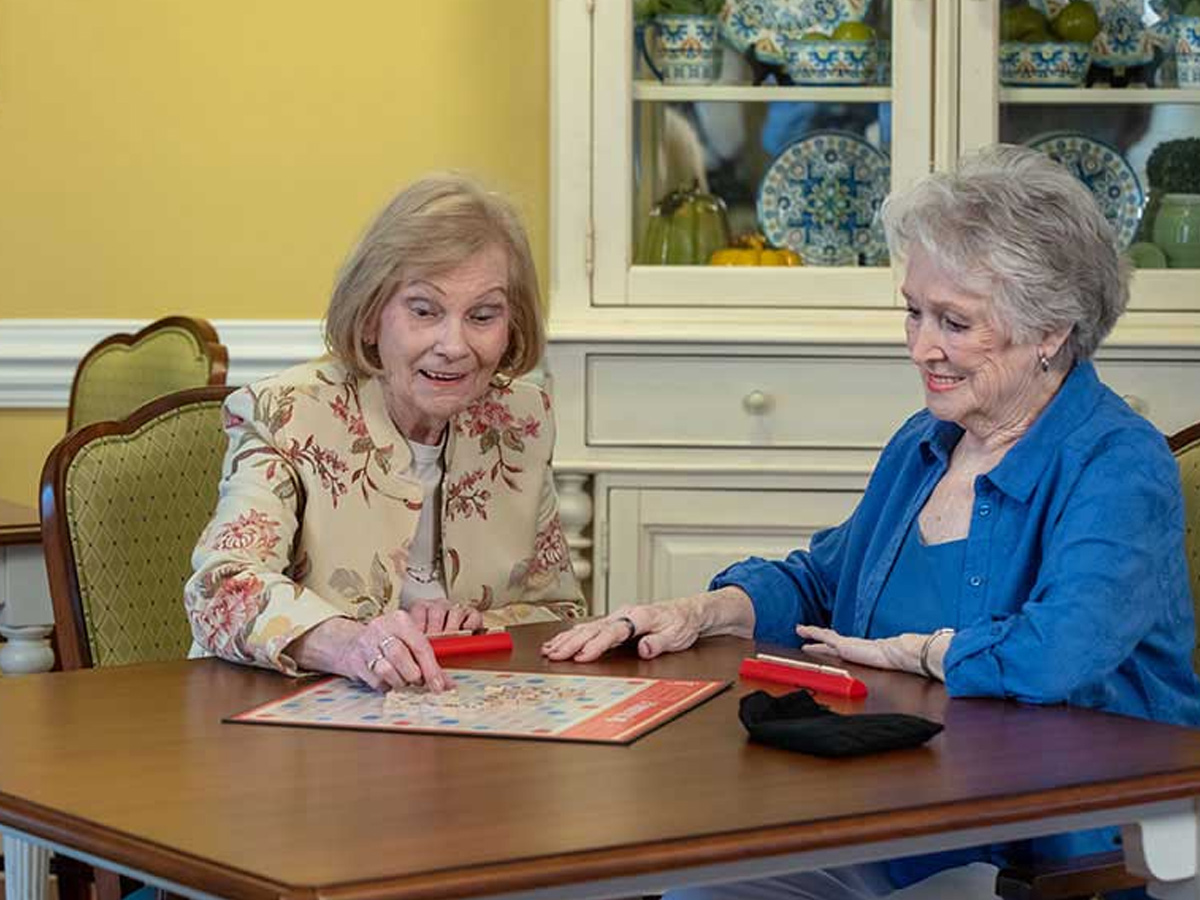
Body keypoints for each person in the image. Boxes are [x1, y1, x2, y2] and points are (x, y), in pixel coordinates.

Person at [543, 145, 1200, 899]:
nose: (922, 348)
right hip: (887, 812)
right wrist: (700, 611)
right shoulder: (926, 446)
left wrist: (913, 653)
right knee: (667, 879)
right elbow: (825, 582)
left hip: (1048, 851)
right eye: (915, 312)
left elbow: (1061, 651)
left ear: (1050, 329)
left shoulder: (1119, 465)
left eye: (955, 323)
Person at [186, 174, 582, 693]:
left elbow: (560, 610)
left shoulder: (520, 420)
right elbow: (221, 589)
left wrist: (477, 625)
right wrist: (351, 643)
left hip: (461, 722)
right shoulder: (286, 413)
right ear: (372, 316)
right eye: (424, 311)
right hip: (287, 728)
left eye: (483, 315)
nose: (454, 345)